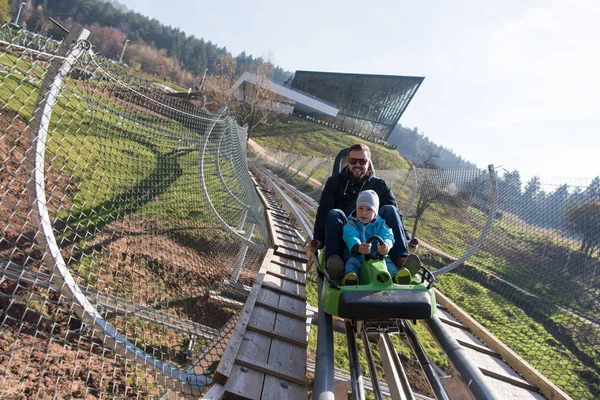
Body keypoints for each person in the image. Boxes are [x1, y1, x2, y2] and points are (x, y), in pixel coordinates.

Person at [307, 143, 416, 280]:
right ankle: (335, 262)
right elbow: (323, 212)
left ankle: (401, 259)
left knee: (390, 209)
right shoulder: (335, 182)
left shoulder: (380, 185)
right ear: (348, 161)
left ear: (368, 163)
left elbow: (396, 215)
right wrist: (318, 239)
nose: (357, 165)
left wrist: (406, 237)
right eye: (353, 161)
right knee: (334, 213)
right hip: (346, 234)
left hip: (374, 236)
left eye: (362, 161)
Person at [342, 190, 412, 285]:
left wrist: (386, 244)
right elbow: (349, 235)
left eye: (369, 209)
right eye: (360, 208)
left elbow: (388, 234)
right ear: (356, 208)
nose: (364, 213)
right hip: (358, 256)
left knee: (388, 263)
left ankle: (396, 277)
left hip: (378, 257)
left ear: (375, 212)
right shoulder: (352, 223)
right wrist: (357, 246)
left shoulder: (380, 224)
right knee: (352, 263)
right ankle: (351, 277)